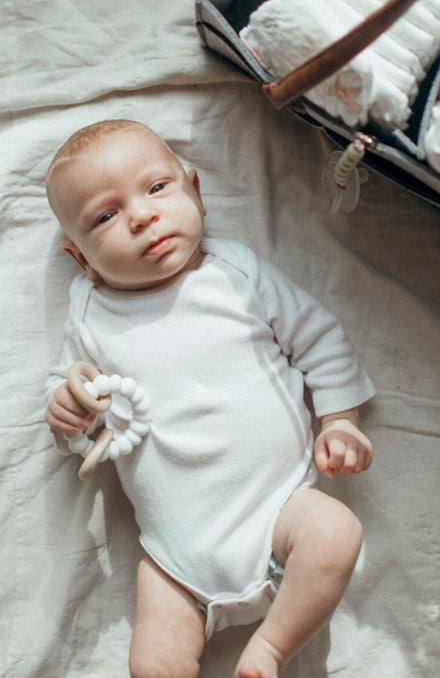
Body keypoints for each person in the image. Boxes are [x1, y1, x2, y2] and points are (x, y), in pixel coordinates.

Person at [43, 119, 376, 678]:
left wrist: (341, 422)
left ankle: (269, 650)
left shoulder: (235, 274)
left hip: (279, 513)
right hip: (177, 560)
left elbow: (319, 339)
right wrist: (65, 409)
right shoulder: (90, 315)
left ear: (194, 189)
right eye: (106, 216)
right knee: (153, 665)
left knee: (337, 533)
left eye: (156, 189)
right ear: (81, 259)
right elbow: (69, 394)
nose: (142, 216)